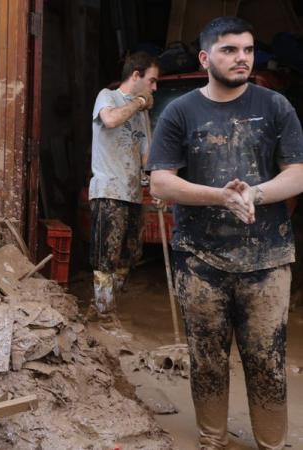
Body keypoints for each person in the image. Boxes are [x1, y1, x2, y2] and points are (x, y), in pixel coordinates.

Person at [148, 16, 303, 450]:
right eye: (230, 50)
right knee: (207, 360)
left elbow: (298, 174)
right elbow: (161, 182)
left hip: (268, 260)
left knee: (267, 361)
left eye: (248, 50)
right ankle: (211, 440)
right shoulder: (180, 112)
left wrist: (254, 191)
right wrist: (220, 196)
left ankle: (271, 443)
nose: (242, 59)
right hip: (200, 260)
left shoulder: (276, 106)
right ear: (205, 57)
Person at [88, 51, 159, 326]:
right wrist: (139, 102)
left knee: (129, 257)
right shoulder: (108, 97)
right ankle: (105, 317)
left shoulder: (142, 116)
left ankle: (106, 306)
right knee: (105, 257)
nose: (154, 88)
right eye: (152, 81)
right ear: (136, 75)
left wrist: (156, 184)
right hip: (108, 190)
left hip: (132, 193)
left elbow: (145, 157)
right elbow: (111, 120)